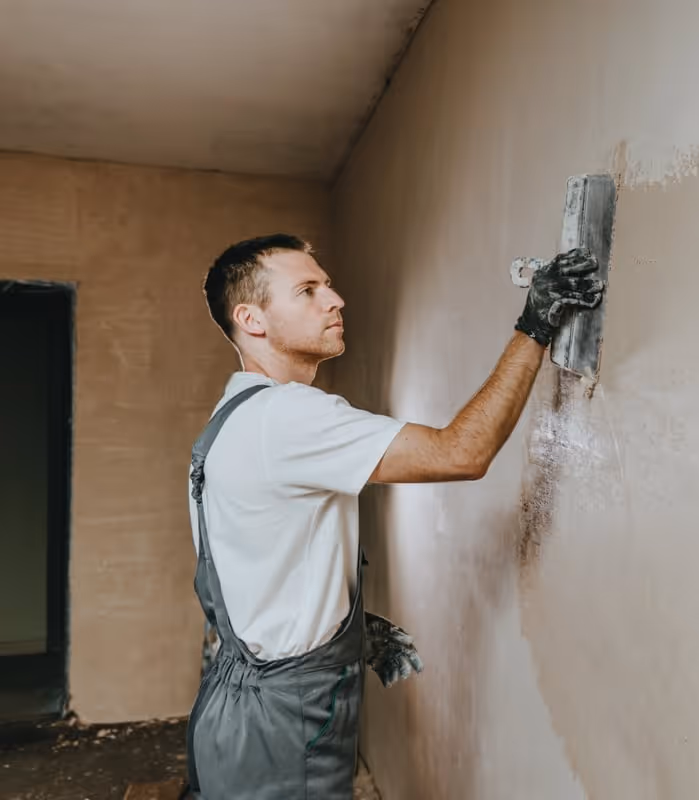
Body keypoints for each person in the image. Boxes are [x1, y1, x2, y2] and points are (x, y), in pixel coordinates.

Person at [184, 233, 604, 799]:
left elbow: (254, 563)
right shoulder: (288, 417)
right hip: (282, 722)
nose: (335, 300)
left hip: (228, 705)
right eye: (307, 290)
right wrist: (534, 325)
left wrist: (348, 627)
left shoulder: (229, 419)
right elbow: (462, 452)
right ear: (252, 320)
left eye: (327, 284)